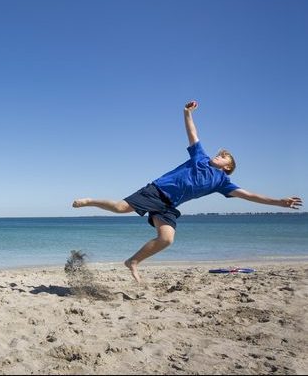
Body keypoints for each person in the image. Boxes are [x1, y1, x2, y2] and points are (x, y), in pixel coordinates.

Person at [73, 100, 302, 283]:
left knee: (166, 239)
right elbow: (192, 133)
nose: (219, 155)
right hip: (156, 190)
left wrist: (279, 202)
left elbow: (250, 195)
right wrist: (187, 113)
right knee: (122, 208)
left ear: (228, 167)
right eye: (220, 153)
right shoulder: (199, 157)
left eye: (224, 156)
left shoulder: (222, 183)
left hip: (169, 206)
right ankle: (90, 201)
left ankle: (133, 261)